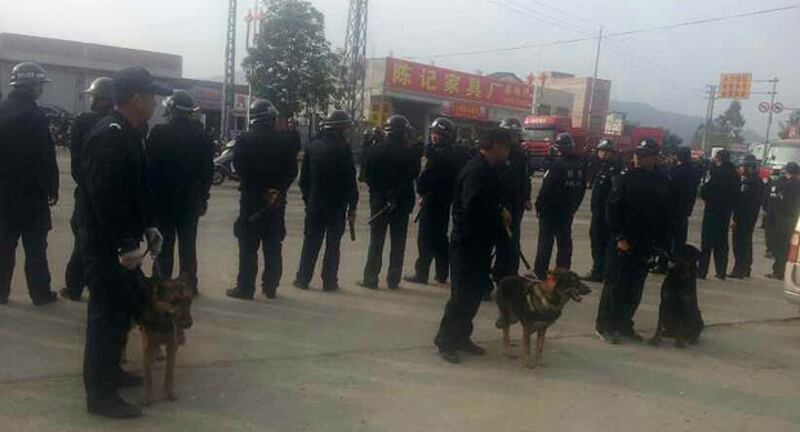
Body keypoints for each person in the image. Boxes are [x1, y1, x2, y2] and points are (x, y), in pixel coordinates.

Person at [81, 66, 171, 418]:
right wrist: (122, 243)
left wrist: (148, 227)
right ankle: (100, 396)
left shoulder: (131, 134)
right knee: (105, 318)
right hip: (108, 248)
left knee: (120, 316)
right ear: (136, 99)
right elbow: (105, 195)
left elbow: (134, 190)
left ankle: (111, 374)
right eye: (152, 97)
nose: (156, 103)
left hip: (126, 243)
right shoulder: (110, 136)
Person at [434, 127, 513, 364]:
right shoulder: (475, 171)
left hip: (481, 243)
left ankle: (462, 336)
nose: (509, 151)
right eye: (507, 146)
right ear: (496, 145)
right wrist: (499, 211)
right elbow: (472, 207)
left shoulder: (489, 169)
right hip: (466, 243)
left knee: (475, 293)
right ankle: (445, 340)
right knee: (461, 295)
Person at [595, 139, 671, 344]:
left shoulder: (663, 181)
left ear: (655, 157)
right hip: (623, 241)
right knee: (614, 284)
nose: (637, 158)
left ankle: (624, 323)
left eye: (644, 155)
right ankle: (605, 325)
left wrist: (662, 244)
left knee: (635, 285)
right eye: (636, 154)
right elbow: (612, 210)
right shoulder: (624, 178)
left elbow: (664, 215)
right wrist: (619, 237)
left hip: (645, 242)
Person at [226, 101, 300, 299]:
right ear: (272, 119)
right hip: (276, 202)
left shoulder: (244, 140)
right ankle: (270, 287)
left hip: (251, 201)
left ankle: (246, 288)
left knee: (248, 247)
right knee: (273, 245)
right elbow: (292, 171)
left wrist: (257, 188)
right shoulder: (285, 141)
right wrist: (277, 189)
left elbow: (239, 168)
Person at [0, 62, 59, 306]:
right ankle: (40, 294)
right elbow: (46, 156)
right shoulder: (36, 116)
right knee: (36, 249)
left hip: (3, 194)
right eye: (39, 86)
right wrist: (52, 187)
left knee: (4, 247)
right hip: (32, 195)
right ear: (33, 86)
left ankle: (1, 293)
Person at [146, 90, 214, 295]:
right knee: (188, 246)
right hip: (190, 202)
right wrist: (203, 198)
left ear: (170, 109)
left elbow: (149, 170)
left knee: (163, 246)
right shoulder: (201, 136)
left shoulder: (158, 133)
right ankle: (189, 286)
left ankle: (161, 286)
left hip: (163, 202)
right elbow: (207, 172)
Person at [60, 77, 115, 301]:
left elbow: (76, 164)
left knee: (83, 243)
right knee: (102, 245)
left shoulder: (83, 121)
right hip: (110, 196)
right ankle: (97, 289)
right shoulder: (121, 123)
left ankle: (75, 287)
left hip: (86, 193)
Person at [294, 110, 359, 292]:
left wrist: (309, 200)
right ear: (341, 128)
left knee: (310, 243)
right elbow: (350, 180)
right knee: (333, 246)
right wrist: (352, 206)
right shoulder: (344, 149)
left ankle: (303, 279)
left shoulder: (313, 146)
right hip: (336, 207)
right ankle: (329, 282)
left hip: (315, 205)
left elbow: (303, 180)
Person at [359, 115, 418, 290]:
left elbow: (365, 177)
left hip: (379, 202)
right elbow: (413, 177)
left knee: (376, 242)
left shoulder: (374, 151)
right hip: (401, 203)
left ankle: (370, 278)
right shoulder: (411, 154)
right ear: (403, 133)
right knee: (398, 243)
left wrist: (382, 192)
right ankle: (393, 279)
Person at [405, 117, 467, 285]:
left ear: (447, 136)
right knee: (439, 238)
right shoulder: (431, 150)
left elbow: (432, 177)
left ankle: (422, 273)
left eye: (438, 134)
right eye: (433, 133)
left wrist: (423, 194)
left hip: (436, 200)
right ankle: (441, 273)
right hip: (437, 199)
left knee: (426, 238)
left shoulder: (445, 155)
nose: (434, 136)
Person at [532, 133, 586, 280]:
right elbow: (581, 190)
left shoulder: (558, 165)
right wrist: (573, 207)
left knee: (545, 242)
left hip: (550, 211)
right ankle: (562, 272)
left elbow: (547, 189)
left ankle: (540, 272)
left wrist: (539, 205)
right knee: (564, 243)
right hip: (567, 211)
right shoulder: (580, 166)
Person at [492, 117, 532, 284]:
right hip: (496, 206)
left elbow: (525, 180)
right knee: (489, 242)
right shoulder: (496, 154)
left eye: (516, 135)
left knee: (510, 245)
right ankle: (485, 280)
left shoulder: (521, 157)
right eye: (510, 135)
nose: (513, 139)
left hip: (515, 208)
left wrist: (526, 198)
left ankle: (508, 280)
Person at [698, 150, 739, 280]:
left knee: (706, 243)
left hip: (712, 210)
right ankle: (721, 271)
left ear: (718, 158)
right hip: (725, 212)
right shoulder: (734, 174)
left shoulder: (714, 172)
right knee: (722, 243)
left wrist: (707, 196)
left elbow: (705, 189)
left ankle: (702, 271)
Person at [583, 139, 619, 282]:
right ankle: (598, 269)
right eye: (601, 150)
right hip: (597, 212)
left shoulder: (614, 170)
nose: (603, 153)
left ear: (612, 153)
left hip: (606, 214)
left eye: (606, 151)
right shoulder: (600, 167)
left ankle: (601, 272)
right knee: (596, 242)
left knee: (602, 243)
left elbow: (614, 194)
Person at [729, 155, 765, 279]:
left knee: (739, 243)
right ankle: (746, 268)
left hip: (743, 217)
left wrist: (735, 219)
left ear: (748, 167)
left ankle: (739, 269)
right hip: (752, 216)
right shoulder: (759, 181)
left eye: (743, 166)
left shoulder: (747, 182)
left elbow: (741, 202)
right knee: (747, 242)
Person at [766, 162, 800, 280]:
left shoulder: (790, 184)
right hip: (792, 219)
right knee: (785, 247)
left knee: (781, 246)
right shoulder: (795, 183)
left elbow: (782, 200)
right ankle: (781, 270)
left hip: (784, 219)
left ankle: (779, 271)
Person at [669, 147, 702, 249]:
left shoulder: (675, 171)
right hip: (686, 208)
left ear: (678, 157)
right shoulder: (694, 171)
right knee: (681, 238)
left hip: (672, 208)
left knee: (670, 238)